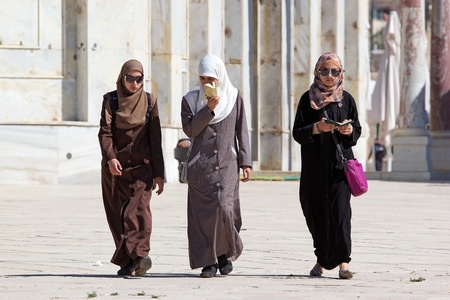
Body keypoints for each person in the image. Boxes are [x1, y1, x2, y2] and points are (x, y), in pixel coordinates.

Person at [181, 54, 252, 278]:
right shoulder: (191, 100)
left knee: (225, 208)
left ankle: (225, 254)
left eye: (211, 78)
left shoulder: (233, 97)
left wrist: (246, 161)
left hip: (227, 164)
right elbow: (190, 130)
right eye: (203, 78)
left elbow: (242, 131)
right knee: (204, 214)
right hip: (200, 167)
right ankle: (208, 262)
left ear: (220, 76)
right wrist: (207, 110)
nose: (207, 83)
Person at [292, 52, 362, 279]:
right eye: (325, 71)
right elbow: (297, 132)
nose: (330, 76)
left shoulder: (347, 99)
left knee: (341, 213)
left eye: (335, 71)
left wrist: (349, 130)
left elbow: (356, 129)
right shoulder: (307, 100)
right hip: (314, 169)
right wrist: (316, 129)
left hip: (339, 168)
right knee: (316, 213)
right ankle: (322, 259)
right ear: (317, 72)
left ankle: (343, 262)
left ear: (341, 73)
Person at [98, 59, 165, 277]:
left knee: (139, 211)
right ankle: (129, 261)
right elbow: (105, 133)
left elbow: (155, 139)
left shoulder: (149, 101)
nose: (134, 84)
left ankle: (141, 255)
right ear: (123, 77)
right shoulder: (112, 100)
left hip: (142, 167)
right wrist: (110, 158)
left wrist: (159, 174)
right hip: (115, 169)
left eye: (139, 79)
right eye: (130, 79)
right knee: (117, 214)